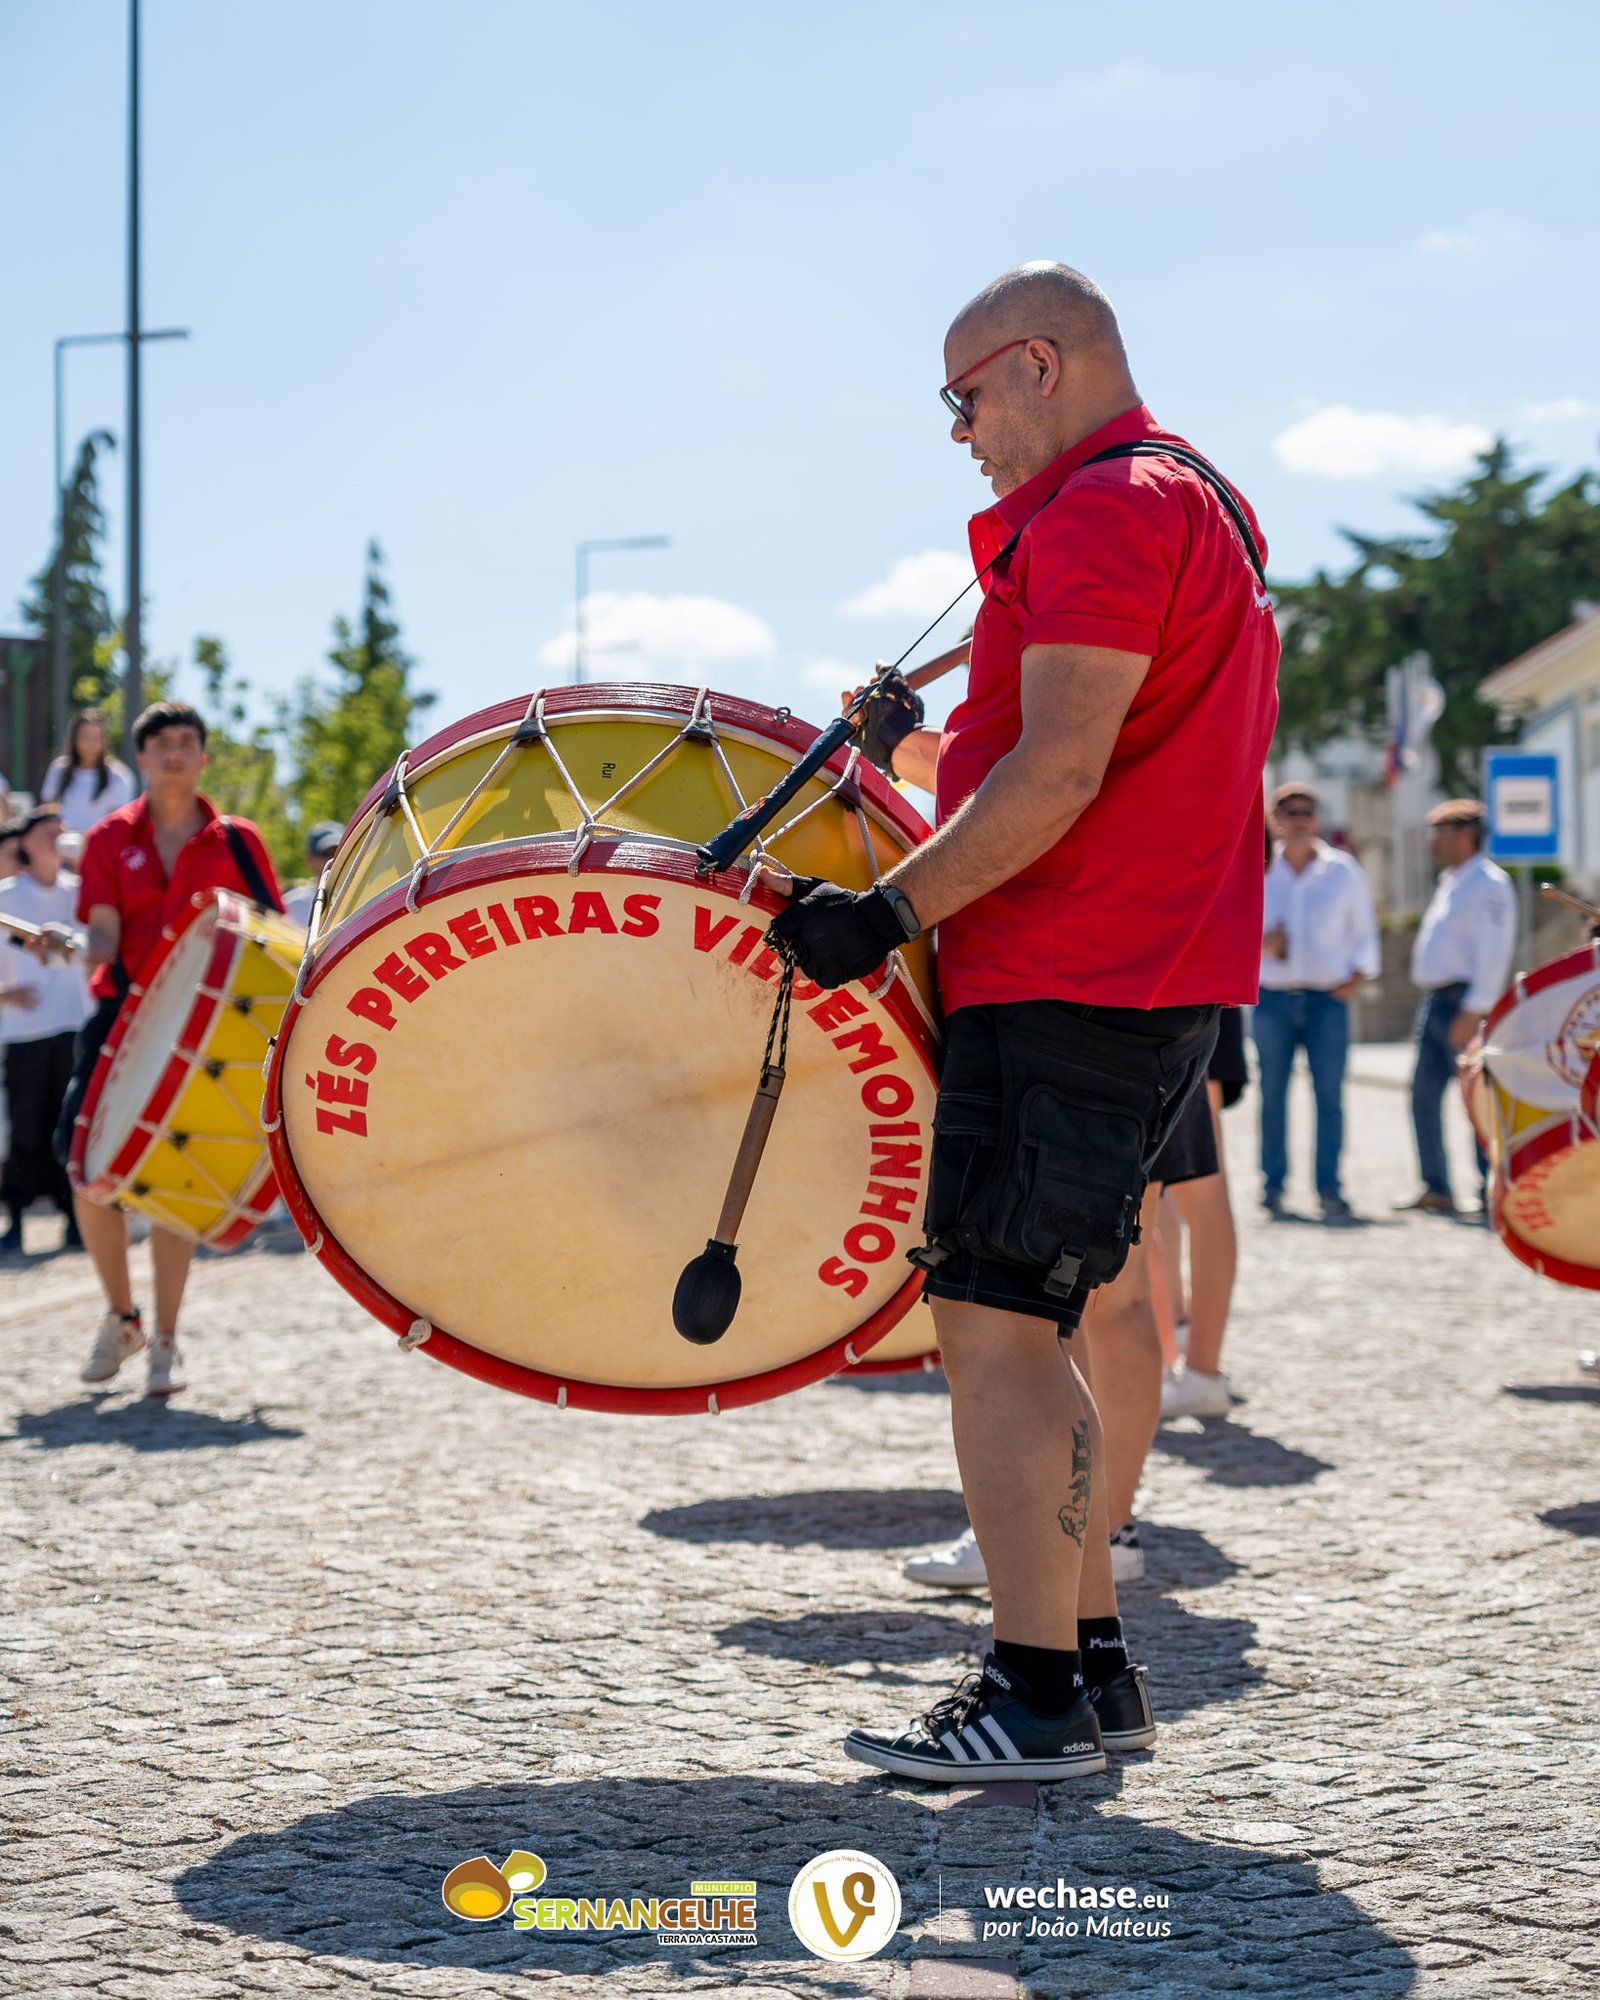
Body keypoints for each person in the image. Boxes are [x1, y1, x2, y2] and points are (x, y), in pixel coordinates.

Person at [769, 261, 1278, 1783]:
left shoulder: (1113, 507)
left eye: (965, 397)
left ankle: (1032, 1692)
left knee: (988, 1329)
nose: (962, 432)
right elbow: (1082, 753)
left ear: (1038, 363)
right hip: (1116, 971)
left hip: (1072, 974)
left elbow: (1054, 780)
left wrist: (886, 915)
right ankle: (1097, 1668)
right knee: (1036, 1325)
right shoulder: (1184, 498)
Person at [53, 701, 285, 1395]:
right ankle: (123, 1317)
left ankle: (166, 1341)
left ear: (203, 757)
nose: (175, 754)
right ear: (144, 760)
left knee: (174, 1183)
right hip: (121, 1018)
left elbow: (272, 935)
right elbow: (100, 933)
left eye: (187, 743)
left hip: (210, 1024)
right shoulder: (106, 839)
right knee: (85, 1169)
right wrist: (70, 947)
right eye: (162, 745)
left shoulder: (237, 840)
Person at [1254, 784, 1378, 1221]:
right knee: (1272, 1096)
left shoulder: (1342, 870)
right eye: (1289, 810)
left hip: (1328, 1001)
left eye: (1307, 811)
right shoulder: (1259, 867)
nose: (1300, 818)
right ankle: (1273, 1185)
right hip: (1272, 1000)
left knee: (1329, 1096)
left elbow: (1364, 929)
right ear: (1275, 818)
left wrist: (1355, 980)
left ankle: (1329, 1188)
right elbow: (1230, 927)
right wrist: (1260, 945)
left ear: (1319, 818)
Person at [1395, 798, 1515, 1217]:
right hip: (1437, 1001)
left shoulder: (1489, 883)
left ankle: (1490, 1188)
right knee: (1423, 1098)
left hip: (1463, 1003)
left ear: (1466, 837)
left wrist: (1474, 1010)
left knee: (1477, 1101)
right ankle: (1437, 1187)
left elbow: (1495, 953)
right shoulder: (1454, 880)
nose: (1432, 843)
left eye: (1439, 834)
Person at [0, 809, 91, 1254]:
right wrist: (4, 997)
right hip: (24, 1030)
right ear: (27, 843)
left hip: (74, 1022)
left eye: (61, 829)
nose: (58, 836)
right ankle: (14, 1219)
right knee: (25, 1128)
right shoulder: (7, 896)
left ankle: (73, 1219)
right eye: (46, 831)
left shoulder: (82, 892)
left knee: (69, 1125)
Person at [1158, 1008, 1247, 1419]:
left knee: (1200, 1190)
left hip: (1184, 993)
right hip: (1192, 989)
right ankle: (1176, 1356)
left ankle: (1200, 1370)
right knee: (1162, 1197)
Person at [38, 709, 137, 838]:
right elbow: (48, 810)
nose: (91, 743)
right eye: (84, 736)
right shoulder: (59, 769)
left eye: (96, 737)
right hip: (63, 847)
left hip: (101, 848)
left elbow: (119, 822)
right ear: (74, 739)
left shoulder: (118, 775)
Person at [282, 821, 344, 928]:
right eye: (326, 854)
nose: (333, 859)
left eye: (338, 852)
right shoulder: (291, 905)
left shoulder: (359, 899)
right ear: (310, 860)